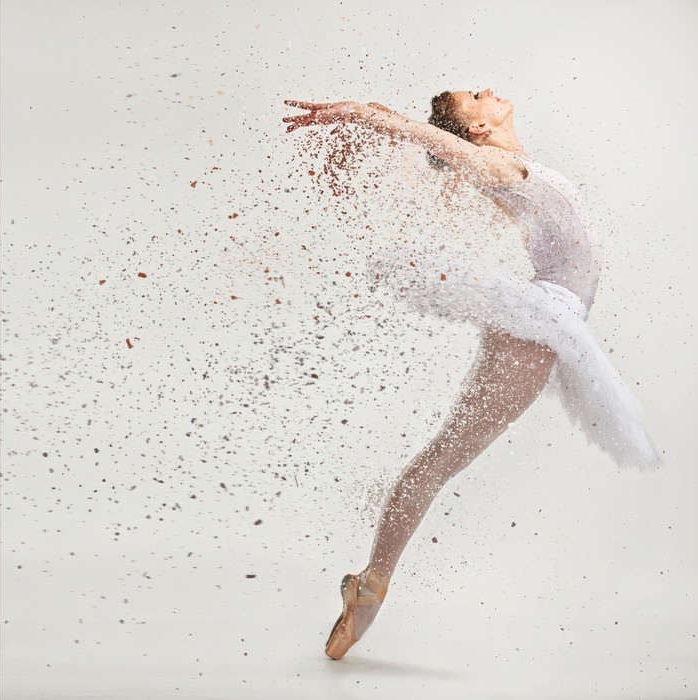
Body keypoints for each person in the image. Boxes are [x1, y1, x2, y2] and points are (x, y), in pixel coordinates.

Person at [283, 89, 661, 660]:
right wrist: (361, 115)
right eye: (474, 97)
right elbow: (427, 137)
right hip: (540, 323)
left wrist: (367, 134)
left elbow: (456, 160)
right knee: (441, 460)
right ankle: (371, 586)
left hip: (544, 321)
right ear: (478, 128)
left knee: (441, 459)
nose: (486, 91)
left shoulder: (509, 169)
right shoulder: (497, 165)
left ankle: (370, 580)